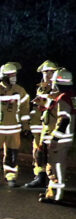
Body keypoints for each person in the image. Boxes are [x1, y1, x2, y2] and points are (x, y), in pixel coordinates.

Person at [39, 68, 74, 204]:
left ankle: (57, 196)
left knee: (57, 167)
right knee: (54, 166)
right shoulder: (69, 96)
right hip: (65, 138)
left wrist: (55, 138)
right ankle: (51, 193)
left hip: (60, 140)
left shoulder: (63, 99)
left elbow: (64, 120)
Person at [24, 60, 58, 188]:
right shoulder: (41, 88)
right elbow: (37, 111)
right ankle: (40, 177)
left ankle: (54, 182)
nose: (48, 75)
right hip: (40, 127)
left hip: (53, 127)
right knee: (38, 153)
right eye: (46, 72)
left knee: (53, 154)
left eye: (51, 72)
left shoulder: (59, 88)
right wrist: (32, 127)